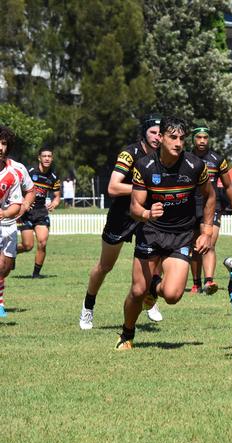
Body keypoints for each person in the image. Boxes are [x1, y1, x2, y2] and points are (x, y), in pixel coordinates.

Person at [116, 116, 215, 350]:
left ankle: (155, 288)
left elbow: (209, 195)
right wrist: (147, 214)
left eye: (182, 138)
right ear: (160, 138)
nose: (178, 143)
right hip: (151, 231)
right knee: (138, 291)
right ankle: (127, 333)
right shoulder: (144, 167)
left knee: (172, 295)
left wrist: (207, 230)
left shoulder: (195, 166)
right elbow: (134, 208)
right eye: (173, 137)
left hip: (181, 234)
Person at [79, 114, 163, 330]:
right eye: (153, 132)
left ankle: (149, 297)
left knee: (156, 259)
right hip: (122, 216)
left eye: (160, 133)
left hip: (148, 216)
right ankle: (88, 306)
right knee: (105, 266)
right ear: (144, 133)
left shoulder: (164, 157)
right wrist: (143, 188)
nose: (157, 137)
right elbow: (113, 187)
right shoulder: (130, 153)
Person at [189, 126, 232, 295]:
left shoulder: (217, 160)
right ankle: (196, 284)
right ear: (193, 140)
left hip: (212, 206)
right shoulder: (185, 158)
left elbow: (228, 186)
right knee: (195, 247)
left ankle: (209, 281)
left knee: (209, 244)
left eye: (205, 137)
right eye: (199, 137)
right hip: (190, 206)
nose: (202, 140)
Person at [0, 125, 31, 318]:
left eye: (4, 143)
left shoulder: (16, 171)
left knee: (6, 267)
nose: (0, 147)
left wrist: (24, 206)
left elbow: (29, 191)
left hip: (9, 224)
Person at [17, 146, 61, 278]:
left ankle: (36, 274)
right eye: (44, 156)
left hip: (41, 212)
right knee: (27, 245)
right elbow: (16, 189)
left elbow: (57, 195)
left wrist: (55, 202)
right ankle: (11, 251)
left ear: (52, 158)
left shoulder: (53, 177)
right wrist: (24, 203)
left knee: (42, 242)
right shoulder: (29, 172)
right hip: (26, 212)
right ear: (39, 158)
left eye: (49, 156)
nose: (47, 158)